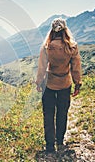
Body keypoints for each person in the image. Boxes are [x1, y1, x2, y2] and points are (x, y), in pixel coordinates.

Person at [35, 18, 82, 153]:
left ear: (52, 30)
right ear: (65, 30)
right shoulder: (72, 46)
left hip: (49, 84)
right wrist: (77, 83)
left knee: (48, 114)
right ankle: (60, 140)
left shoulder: (47, 46)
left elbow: (42, 68)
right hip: (65, 84)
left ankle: (50, 145)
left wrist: (39, 82)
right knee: (62, 112)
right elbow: (76, 67)